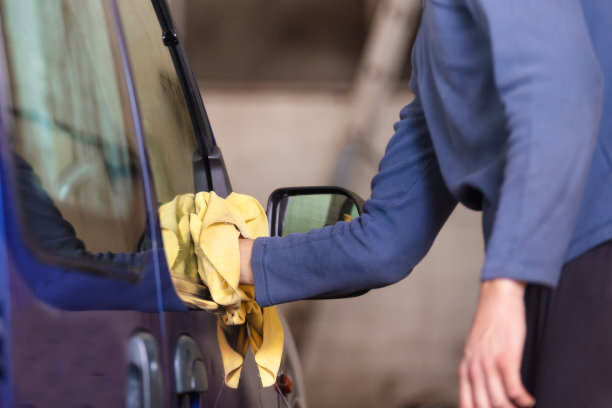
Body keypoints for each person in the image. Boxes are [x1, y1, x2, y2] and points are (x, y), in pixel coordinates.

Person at [238, 1, 612, 407]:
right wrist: (231, 262)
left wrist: (504, 286)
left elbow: (561, 95)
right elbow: (387, 241)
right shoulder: (440, 46)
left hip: (587, 258)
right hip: (553, 272)